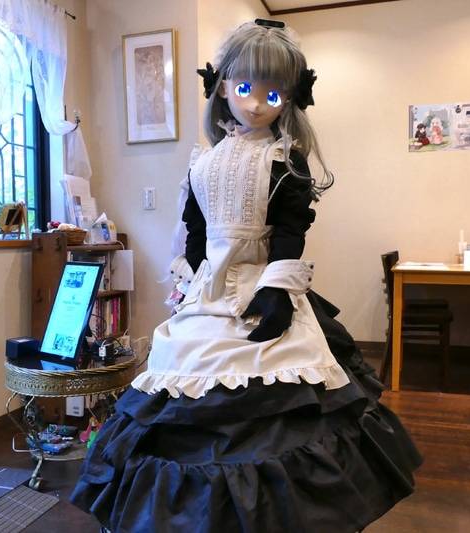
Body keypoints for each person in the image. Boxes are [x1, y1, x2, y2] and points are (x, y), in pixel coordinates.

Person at [71, 20, 421, 532]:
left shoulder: (284, 159)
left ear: (289, 99)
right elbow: (195, 232)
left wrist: (277, 289)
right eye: (244, 89)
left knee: (286, 405)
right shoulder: (202, 162)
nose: (256, 105)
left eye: (272, 94)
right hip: (207, 297)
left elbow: (290, 231)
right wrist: (190, 283)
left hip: (263, 289)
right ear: (222, 88)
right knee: (177, 404)